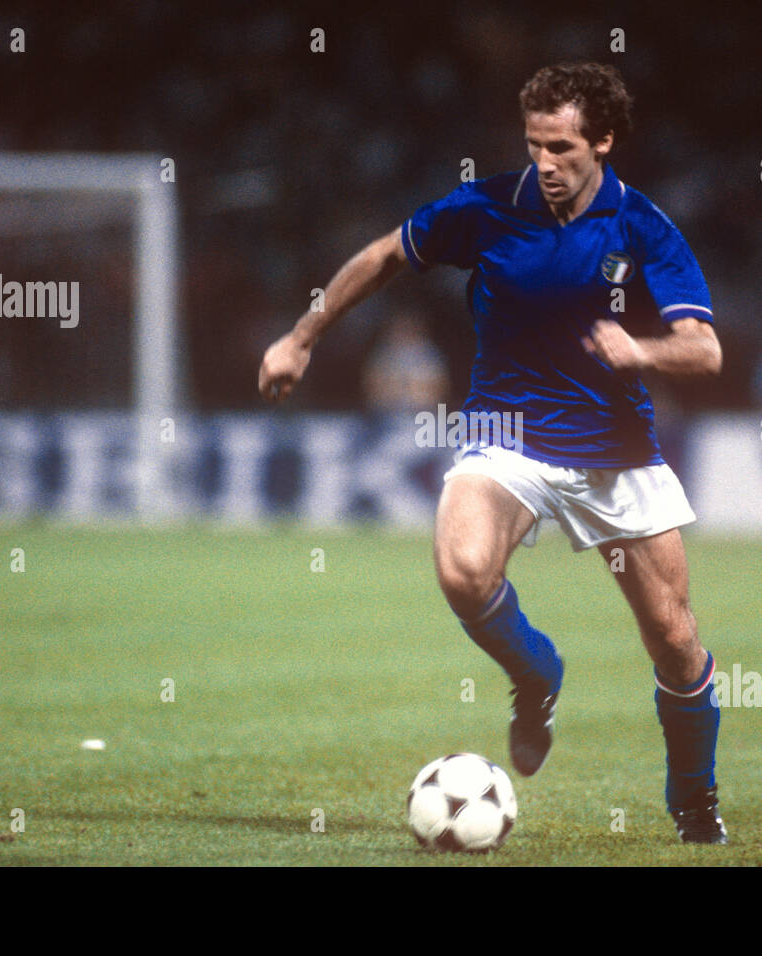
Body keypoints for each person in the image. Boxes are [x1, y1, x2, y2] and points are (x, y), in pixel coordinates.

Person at [260, 62, 726, 843]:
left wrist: (638, 351)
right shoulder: (485, 207)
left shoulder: (643, 226)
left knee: (676, 641)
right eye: (535, 144)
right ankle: (536, 674)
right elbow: (382, 256)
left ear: (604, 141)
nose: (545, 162)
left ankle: (695, 803)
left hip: (616, 449)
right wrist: (300, 336)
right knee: (463, 569)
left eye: (564, 147)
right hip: (505, 434)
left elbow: (705, 350)